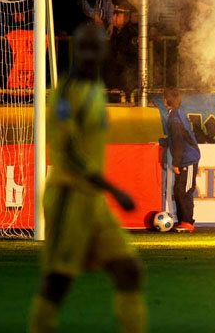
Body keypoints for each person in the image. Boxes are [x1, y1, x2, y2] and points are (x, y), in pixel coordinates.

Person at [28, 24, 145, 333]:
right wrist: (114, 189)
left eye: (96, 48)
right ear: (75, 51)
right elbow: (67, 152)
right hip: (68, 195)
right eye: (84, 48)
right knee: (58, 282)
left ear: (104, 50)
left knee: (129, 270)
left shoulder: (95, 88)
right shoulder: (65, 94)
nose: (90, 54)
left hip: (92, 200)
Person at [164, 88, 200, 233]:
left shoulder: (174, 118)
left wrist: (176, 163)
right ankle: (183, 222)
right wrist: (163, 141)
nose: (163, 100)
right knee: (179, 190)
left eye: (164, 98)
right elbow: (176, 138)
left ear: (168, 100)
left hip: (188, 159)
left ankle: (188, 222)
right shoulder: (175, 115)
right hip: (185, 158)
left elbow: (178, 141)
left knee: (185, 190)